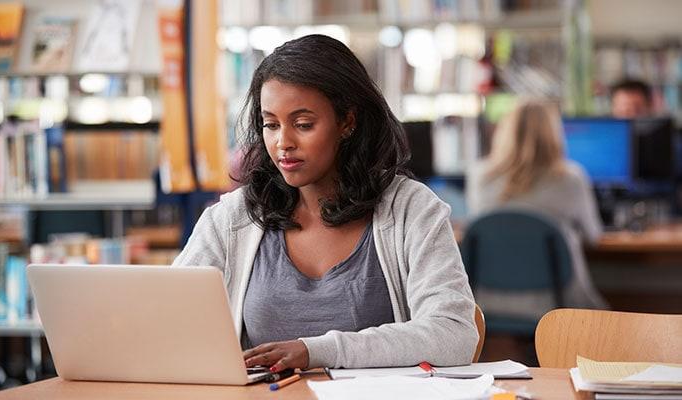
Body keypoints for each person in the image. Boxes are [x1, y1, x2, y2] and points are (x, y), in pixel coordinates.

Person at [173, 34, 478, 371]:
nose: (282, 143)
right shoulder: (233, 219)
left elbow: (454, 335)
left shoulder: (411, 210)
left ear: (347, 122)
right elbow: (168, 318)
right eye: (270, 125)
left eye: (303, 124)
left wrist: (318, 350)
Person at [466, 100, 608, 320]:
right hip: (558, 304)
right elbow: (594, 236)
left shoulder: (479, 176)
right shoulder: (570, 178)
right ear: (553, 133)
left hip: (489, 300)